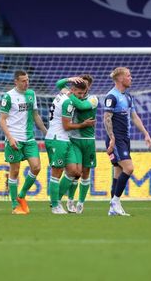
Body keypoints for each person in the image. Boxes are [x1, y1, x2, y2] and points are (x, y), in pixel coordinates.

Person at [104, 67, 151, 216]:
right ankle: (115, 202)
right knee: (129, 168)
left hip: (125, 138)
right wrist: (112, 138)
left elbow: (134, 116)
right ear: (120, 79)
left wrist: (145, 133)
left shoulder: (128, 97)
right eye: (129, 76)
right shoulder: (112, 96)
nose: (131, 78)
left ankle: (113, 208)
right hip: (116, 139)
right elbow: (107, 118)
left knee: (118, 173)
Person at [0, 70, 47, 214]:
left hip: (29, 139)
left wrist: (46, 132)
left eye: (28, 80)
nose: (27, 83)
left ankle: (21, 195)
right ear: (16, 82)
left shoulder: (31, 94)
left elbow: (35, 115)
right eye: (23, 81)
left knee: (36, 167)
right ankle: (15, 205)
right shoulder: (8, 97)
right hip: (14, 139)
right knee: (14, 171)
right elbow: (2, 120)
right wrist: (10, 138)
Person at [45, 80, 92, 214]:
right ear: (72, 90)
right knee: (56, 172)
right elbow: (66, 126)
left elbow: (59, 84)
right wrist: (84, 124)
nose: (81, 96)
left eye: (83, 94)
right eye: (79, 93)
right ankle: (55, 205)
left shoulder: (64, 93)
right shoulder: (68, 102)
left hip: (65, 139)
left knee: (74, 171)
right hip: (57, 139)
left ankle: (57, 199)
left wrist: (70, 79)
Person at [56, 75, 98, 214]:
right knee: (75, 172)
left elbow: (81, 106)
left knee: (85, 173)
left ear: (89, 86)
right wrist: (69, 79)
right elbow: (59, 84)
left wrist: (68, 93)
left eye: (85, 85)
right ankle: (68, 200)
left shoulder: (93, 99)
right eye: (79, 85)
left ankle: (81, 203)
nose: (82, 88)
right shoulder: (74, 95)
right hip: (73, 140)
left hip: (88, 141)